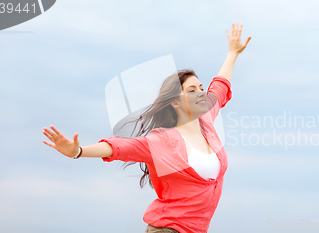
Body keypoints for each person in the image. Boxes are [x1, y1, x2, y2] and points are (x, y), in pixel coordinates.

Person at [42, 21, 251, 233]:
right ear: (175, 102)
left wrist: (233, 53)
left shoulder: (206, 119)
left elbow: (220, 86)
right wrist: (78, 151)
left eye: (201, 88)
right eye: (191, 91)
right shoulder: (162, 141)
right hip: (167, 229)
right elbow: (120, 147)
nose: (200, 93)